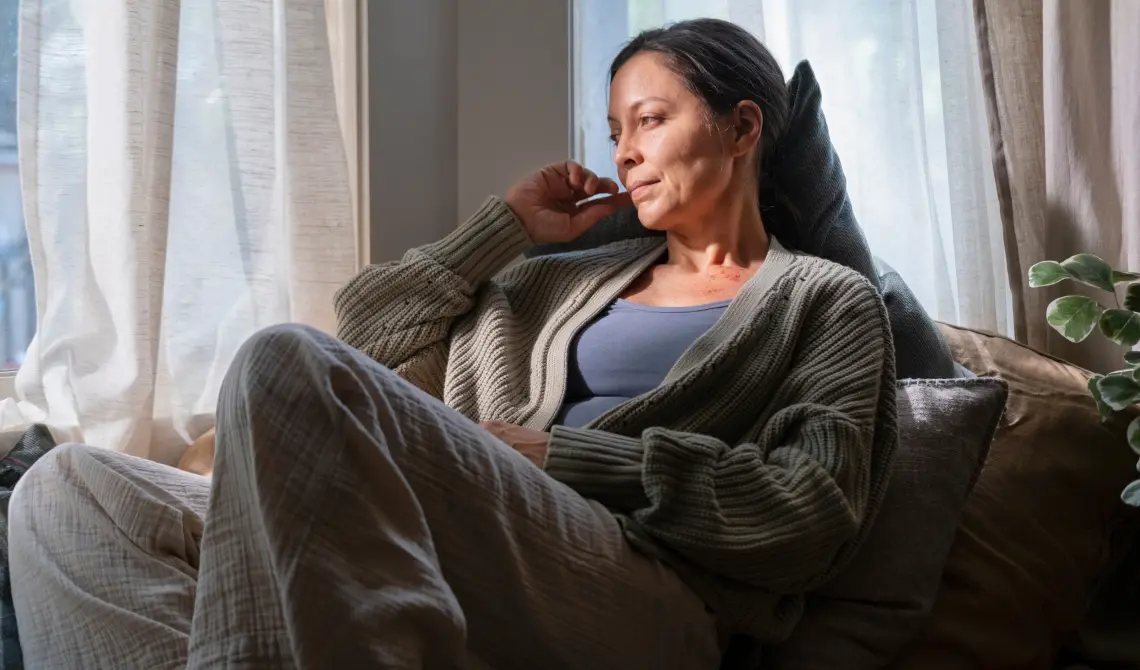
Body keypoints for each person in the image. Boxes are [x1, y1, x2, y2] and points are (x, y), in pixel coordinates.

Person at [8, 18, 897, 670]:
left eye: (651, 120)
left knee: (283, 360)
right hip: (466, 542)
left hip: (649, 590)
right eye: (616, 131)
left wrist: (563, 457)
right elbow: (367, 340)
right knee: (67, 494)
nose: (626, 152)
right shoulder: (556, 281)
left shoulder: (826, 301)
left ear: (742, 128)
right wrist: (504, 229)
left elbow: (811, 509)